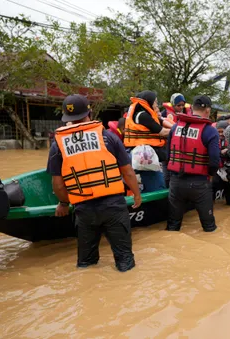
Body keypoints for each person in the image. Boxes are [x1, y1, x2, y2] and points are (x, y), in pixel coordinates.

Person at [47, 94, 141, 272]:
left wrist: (64, 203)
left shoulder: (57, 145)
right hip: (113, 206)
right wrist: (136, 194)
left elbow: (58, 184)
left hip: (84, 210)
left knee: (86, 263)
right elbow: (127, 172)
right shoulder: (109, 138)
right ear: (89, 113)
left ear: (67, 119)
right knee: (125, 262)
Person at [165, 95, 220, 232]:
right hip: (199, 183)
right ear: (207, 110)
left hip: (176, 182)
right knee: (209, 228)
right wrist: (211, 175)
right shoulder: (210, 131)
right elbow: (214, 161)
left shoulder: (175, 127)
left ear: (191, 108)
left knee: (173, 226)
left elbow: (167, 156)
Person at [124, 90, 172, 192]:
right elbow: (162, 132)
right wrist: (179, 131)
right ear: (149, 101)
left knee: (149, 184)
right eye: (155, 102)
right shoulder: (142, 116)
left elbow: (161, 121)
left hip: (141, 153)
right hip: (142, 154)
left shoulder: (144, 114)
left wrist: (177, 126)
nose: (156, 104)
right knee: (157, 186)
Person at [213, 120, 230, 205]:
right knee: (213, 187)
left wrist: (228, 151)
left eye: (222, 131)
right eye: (218, 132)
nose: (220, 134)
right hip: (218, 169)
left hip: (228, 170)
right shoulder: (214, 140)